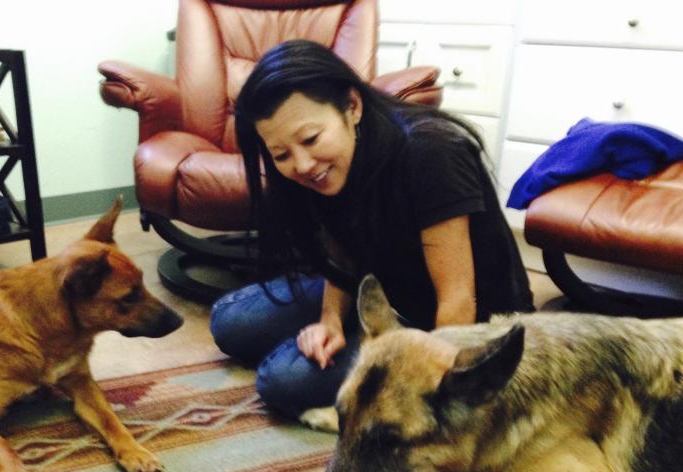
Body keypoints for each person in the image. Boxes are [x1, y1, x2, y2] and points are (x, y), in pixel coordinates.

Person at [210, 39, 534, 429]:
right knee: (231, 323)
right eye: (281, 155)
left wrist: (423, 384)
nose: (302, 163)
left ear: (353, 106)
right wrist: (329, 321)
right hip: (380, 291)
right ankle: (342, 338)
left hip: (455, 319)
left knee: (281, 381)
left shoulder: (432, 152)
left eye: (311, 139)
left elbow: (458, 299)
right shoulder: (321, 168)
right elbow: (340, 246)